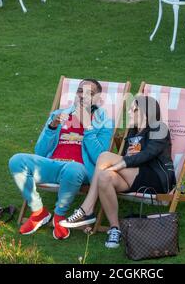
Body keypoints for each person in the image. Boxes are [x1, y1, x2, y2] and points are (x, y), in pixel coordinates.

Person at [60, 95, 176, 248]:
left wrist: (119, 164)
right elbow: (129, 156)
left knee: (104, 157)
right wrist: (119, 165)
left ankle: (87, 209)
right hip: (132, 176)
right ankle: (115, 229)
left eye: (132, 109)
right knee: (104, 176)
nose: (128, 112)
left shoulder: (159, 128)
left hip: (155, 178)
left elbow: (148, 155)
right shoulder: (133, 131)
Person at [8, 79, 114, 240]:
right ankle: (38, 212)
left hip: (79, 169)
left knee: (73, 168)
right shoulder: (58, 115)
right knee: (16, 160)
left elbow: (100, 157)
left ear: (98, 99)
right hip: (52, 164)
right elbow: (40, 152)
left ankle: (59, 215)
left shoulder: (104, 122)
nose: (83, 96)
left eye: (90, 93)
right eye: (80, 91)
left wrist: (88, 127)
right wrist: (52, 126)